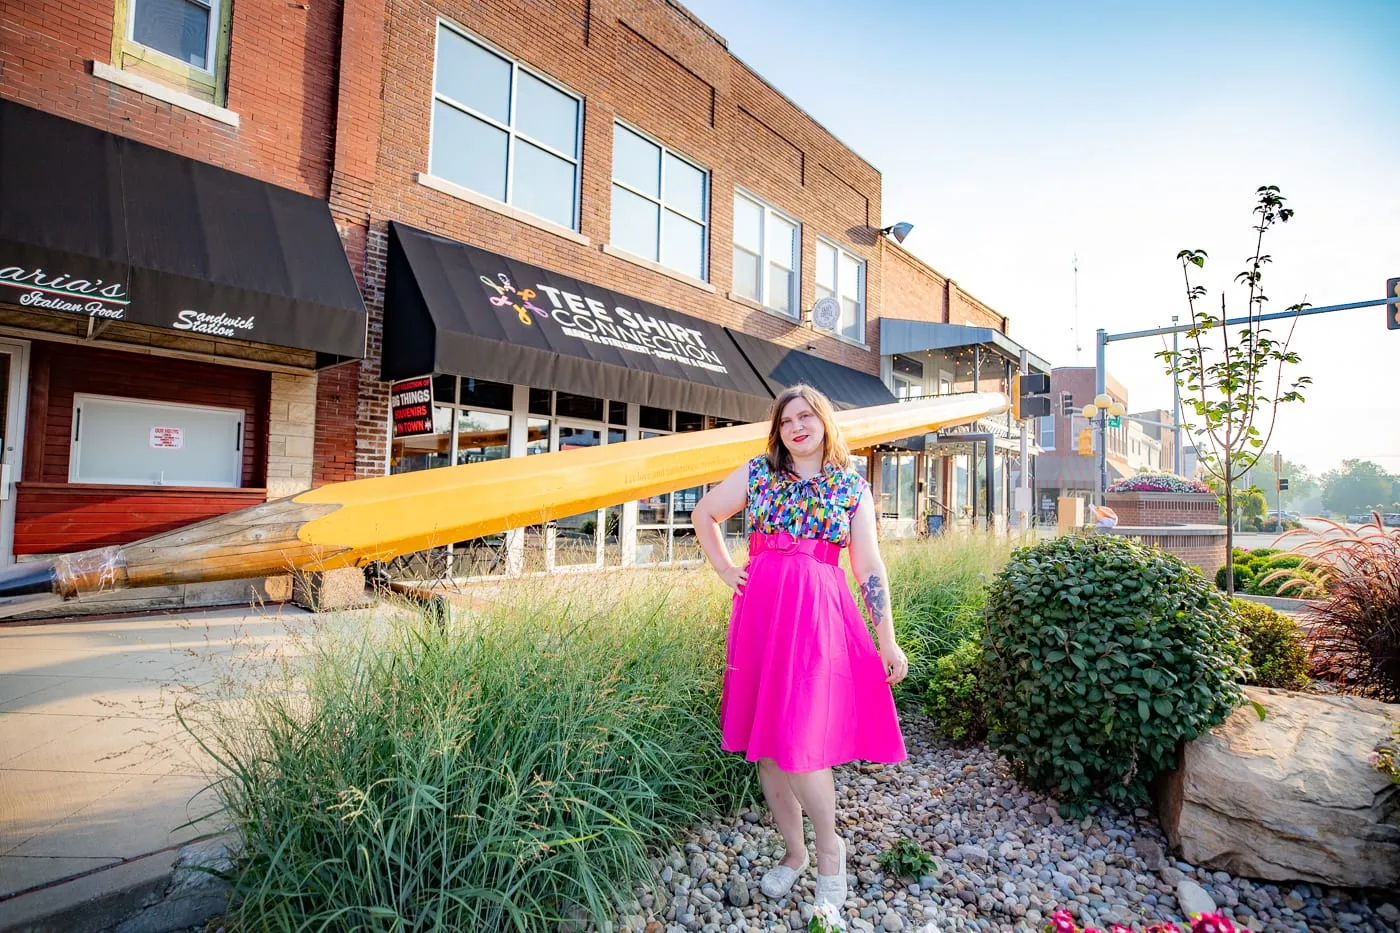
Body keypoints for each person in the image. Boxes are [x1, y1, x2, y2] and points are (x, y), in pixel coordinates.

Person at [692, 384, 909, 911]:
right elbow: (704, 513)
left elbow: (868, 566)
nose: (797, 426)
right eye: (787, 420)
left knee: (799, 741)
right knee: (768, 750)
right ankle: (795, 854)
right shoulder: (760, 472)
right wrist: (726, 570)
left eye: (807, 416)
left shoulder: (850, 487)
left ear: (824, 423)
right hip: (762, 614)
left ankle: (829, 851)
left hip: (816, 619)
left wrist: (888, 639)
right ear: (778, 430)